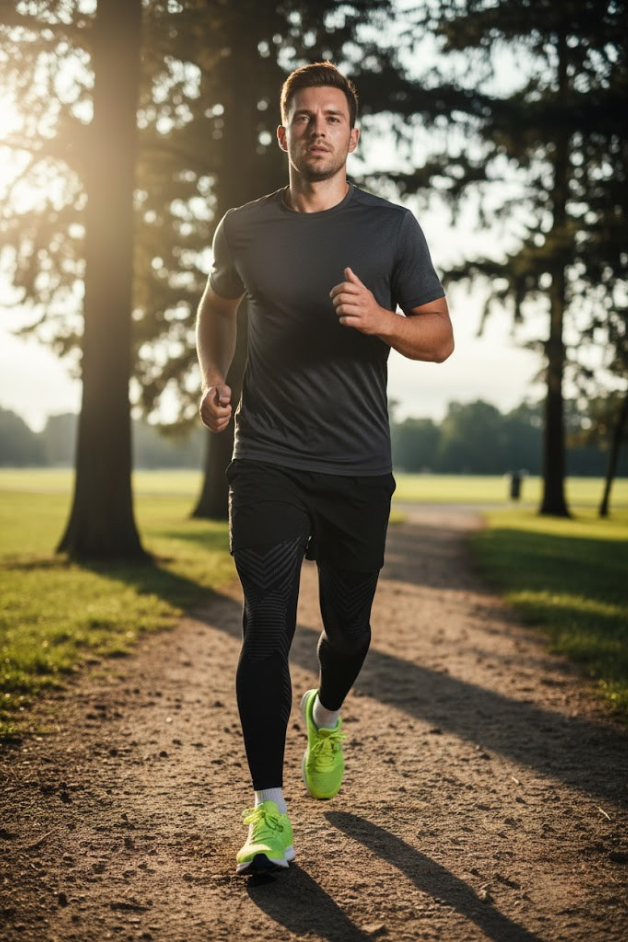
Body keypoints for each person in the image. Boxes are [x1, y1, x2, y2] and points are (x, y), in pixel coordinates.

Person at [196, 61, 454, 876]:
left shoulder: (392, 228)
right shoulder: (243, 226)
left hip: (355, 465)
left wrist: (382, 319)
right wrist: (214, 376)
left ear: (353, 133)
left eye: (332, 117)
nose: (318, 129)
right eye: (303, 117)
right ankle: (269, 813)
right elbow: (218, 303)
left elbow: (440, 337)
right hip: (267, 456)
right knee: (266, 627)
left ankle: (327, 708)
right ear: (284, 133)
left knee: (347, 634)